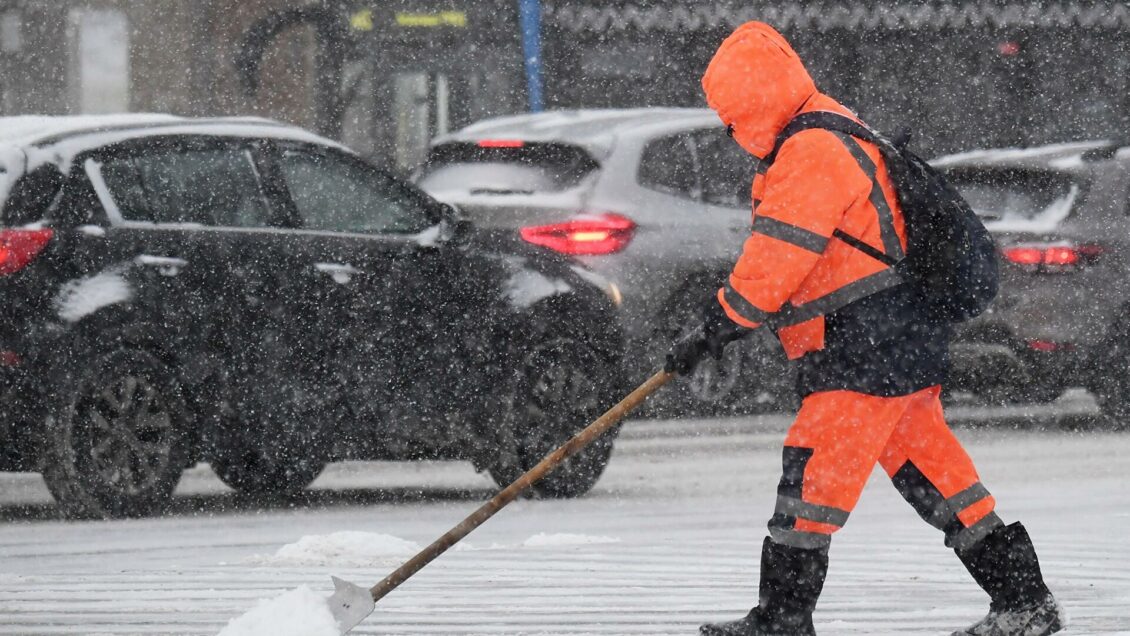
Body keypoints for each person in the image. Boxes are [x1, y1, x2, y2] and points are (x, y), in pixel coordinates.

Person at [665, 21, 1065, 636]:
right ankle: (1024, 600)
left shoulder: (812, 152)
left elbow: (777, 258)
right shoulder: (829, 130)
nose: (728, 129)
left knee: (812, 478)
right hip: (893, 339)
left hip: (863, 346)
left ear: (753, 102)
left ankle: (783, 617)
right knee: (938, 476)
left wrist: (719, 323)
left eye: (730, 115)